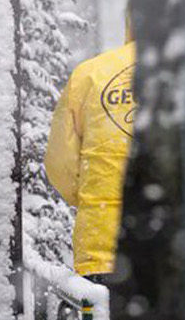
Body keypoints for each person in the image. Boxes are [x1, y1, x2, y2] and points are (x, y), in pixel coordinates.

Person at [44, 34, 136, 278]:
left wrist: (90, 199)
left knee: (103, 316)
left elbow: (60, 162)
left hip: (103, 248)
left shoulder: (90, 74)